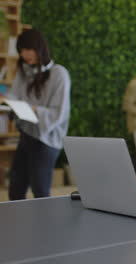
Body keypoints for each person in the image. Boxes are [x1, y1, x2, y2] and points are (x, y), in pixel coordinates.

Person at [5, 29, 71, 200]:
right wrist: (6, 100)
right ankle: (19, 225)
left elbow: (58, 114)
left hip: (47, 139)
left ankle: (45, 226)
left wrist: (33, 109)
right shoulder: (24, 71)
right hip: (27, 134)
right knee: (15, 188)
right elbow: (14, 95)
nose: (24, 54)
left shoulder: (59, 74)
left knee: (40, 191)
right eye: (21, 50)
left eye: (28, 49)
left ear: (39, 48)